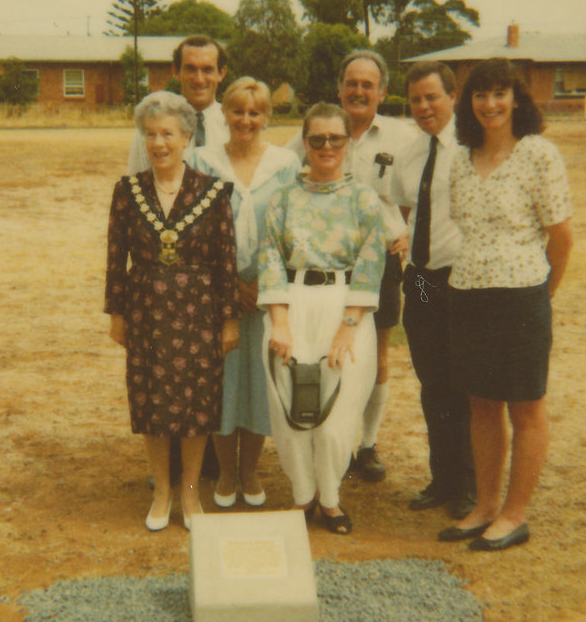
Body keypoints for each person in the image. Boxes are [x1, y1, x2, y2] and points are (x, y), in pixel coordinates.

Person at [438, 58, 573, 551]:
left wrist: (541, 295)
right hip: (468, 292)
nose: (490, 104)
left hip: (522, 296)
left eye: (500, 94)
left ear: (517, 98)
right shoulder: (461, 156)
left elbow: (562, 238)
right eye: (480, 95)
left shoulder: (538, 153)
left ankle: (515, 515)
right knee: (481, 404)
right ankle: (485, 506)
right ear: (469, 104)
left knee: (526, 409)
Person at [106, 91, 241, 531]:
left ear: (187, 137)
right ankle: (162, 490)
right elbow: (116, 256)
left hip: (198, 310)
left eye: (168, 134)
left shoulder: (215, 192)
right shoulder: (127, 191)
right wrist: (117, 313)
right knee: (152, 401)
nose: (159, 143)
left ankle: (190, 492)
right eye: (151, 135)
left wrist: (229, 318)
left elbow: (226, 259)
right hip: (146, 308)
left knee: (196, 404)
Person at [286, 50, 414, 482]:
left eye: (368, 84)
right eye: (351, 83)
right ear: (339, 88)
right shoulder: (319, 132)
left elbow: (423, 194)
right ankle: (327, 438)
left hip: (381, 263)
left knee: (375, 355)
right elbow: (287, 180)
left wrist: (410, 234)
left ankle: (366, 444)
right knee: (328, 351)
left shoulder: (402, 137)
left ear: (382, 91)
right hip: (327, 263)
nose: (359, 91)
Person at [258, 103, 386, 534]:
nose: (326, 146)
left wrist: (348, 328)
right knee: (290, 407)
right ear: (305, 143)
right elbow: (271, 257)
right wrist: (279, 322)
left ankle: (330, 500)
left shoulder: (365, 200)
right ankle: (302, 497)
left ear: (348, 142)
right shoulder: (283, 199)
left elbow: (372, 264)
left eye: (335, 138)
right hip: (290, 306)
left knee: (336, 416)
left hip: (344, 307)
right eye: (317, 139)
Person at [191, 77, 300, 508]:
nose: (246, 120)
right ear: (225, 115)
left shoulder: (285, 163)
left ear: (267, 118)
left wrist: (264, 285)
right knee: (222, 384)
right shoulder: (202, 160)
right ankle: (224, 476)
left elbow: (291, 229)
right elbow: (196, 230)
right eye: (237, 111)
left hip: (267, 291)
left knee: (260, 383)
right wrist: (232, 285)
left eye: (255, 113)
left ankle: (250, 471)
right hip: (218, 291)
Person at [390, 60, 476, 520]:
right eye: (416, 99)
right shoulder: (409, 152)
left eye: (432, 97)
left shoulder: (471, 148)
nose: (424, 107)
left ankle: (469, 484)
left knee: (463, 385)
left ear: (452, 97)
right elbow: (406, 204)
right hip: (422, 281)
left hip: (460, 280)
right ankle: (442, 479)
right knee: (432, 383)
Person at [127, 36, 229, 174]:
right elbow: (135, 184)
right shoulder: (152, 124)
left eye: (207, 70)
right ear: (176, 71)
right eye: (191, 69)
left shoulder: (233, 127)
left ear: (221, 73)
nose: (199, 79)